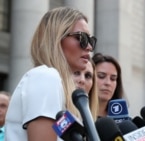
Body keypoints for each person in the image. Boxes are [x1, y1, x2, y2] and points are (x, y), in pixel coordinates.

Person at [5, 7, 97, 141]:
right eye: (81, 37)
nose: (88, 47)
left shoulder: (57, 85)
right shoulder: (46, 76)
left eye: (91, 40)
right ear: (56, 38)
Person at [92, 53, 126, 118]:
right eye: (101, 76)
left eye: (113, 79)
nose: (108, 83)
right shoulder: (75, 114)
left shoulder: (123, 120)